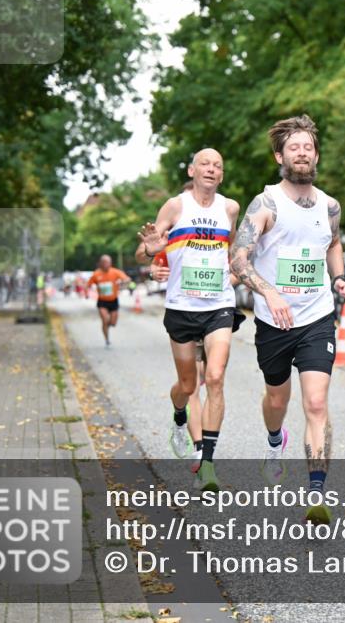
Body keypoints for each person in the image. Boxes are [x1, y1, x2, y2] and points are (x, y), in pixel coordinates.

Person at [230, 115, 345, 524]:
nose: (302, 153)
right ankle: (273, 440)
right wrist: (268, 291)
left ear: (316, 155)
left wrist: (339, 278)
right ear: (280, 156)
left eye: (308, 147)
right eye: (294, 147)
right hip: (273, 322)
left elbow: (332, 243)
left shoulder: (330, 206)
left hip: (317, 317)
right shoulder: (266, 204)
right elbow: (238, 257)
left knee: (316, 402)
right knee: (278, 401)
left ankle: (317, 492)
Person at [138, 149, 240, 492]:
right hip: (181, 307)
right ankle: (179, 416)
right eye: (206, 164)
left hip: (219, 305)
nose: (212, 169)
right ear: (193, 170)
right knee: (186, 386)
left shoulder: (230, 209)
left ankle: (207, 463)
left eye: (218, 166)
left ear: (221, 176)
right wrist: (152, 253)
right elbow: (146, 250)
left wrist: (238, 272)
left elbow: (233, 253)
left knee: (214, 377)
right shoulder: (175, 206)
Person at [87, 255, 131, 347]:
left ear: (110, 263)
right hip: (102, 301)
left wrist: (123, 282)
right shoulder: (96, 274)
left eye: (108, 262)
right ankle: (106, 339)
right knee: (105, 319)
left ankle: (108, 325)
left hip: (113, 300)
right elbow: (88, 284)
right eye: (104, 262)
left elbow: (127, 279)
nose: (106, 264)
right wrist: (86, 293)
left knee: (113, 323)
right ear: (101, 263)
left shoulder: (115, 272)